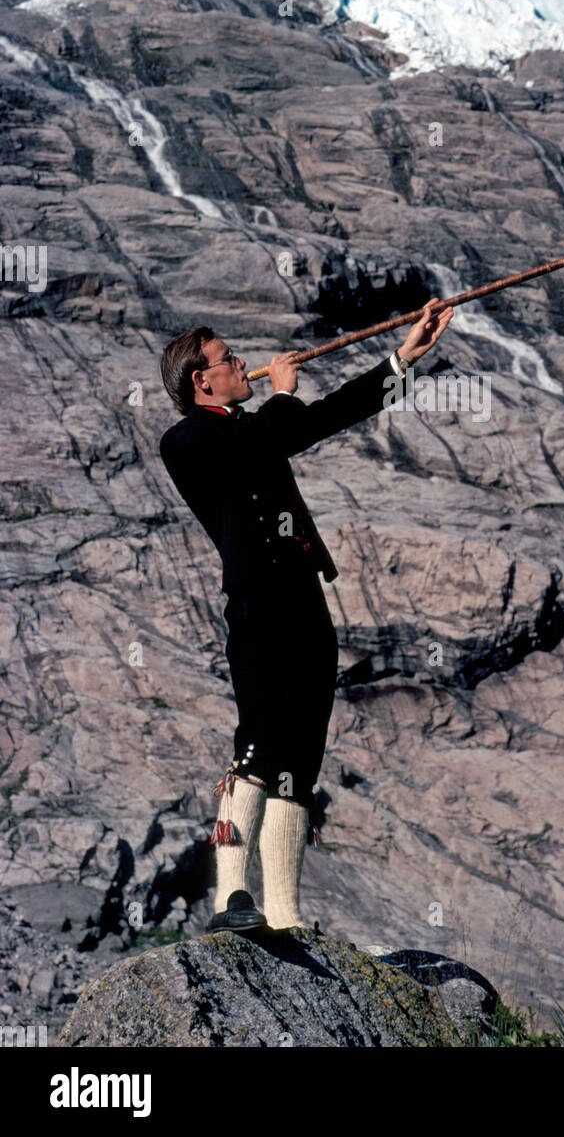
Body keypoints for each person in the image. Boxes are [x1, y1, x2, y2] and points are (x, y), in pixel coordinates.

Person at [158, 299, 454, 933]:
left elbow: (328, 417)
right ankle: (231, 899)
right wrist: (283, 393)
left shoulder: (250, 426)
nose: (242, 363)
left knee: (300, 755)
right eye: (228, 359)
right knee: (260, 743)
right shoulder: (186, 439)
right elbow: (271, 435)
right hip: (258, 608)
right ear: (200, 381)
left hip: (303, 602)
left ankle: (286, 915)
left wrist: (403, 357)